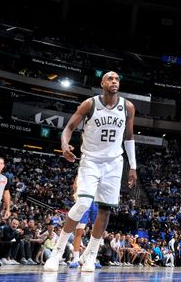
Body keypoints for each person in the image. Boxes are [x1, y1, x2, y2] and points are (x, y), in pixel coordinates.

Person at [44, 71, 137, 272]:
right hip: (91, 161)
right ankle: (57, 252)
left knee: (105, 210)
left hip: (114, 163)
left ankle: (90, 256)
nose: (114, 81)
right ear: (102, 83)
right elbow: (69, 127)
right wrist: (64, 144)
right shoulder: (90, 104)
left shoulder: (127, 107)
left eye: (117, 79)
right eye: (110, 79)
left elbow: (129, 138)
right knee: (83, 203)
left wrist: (133, 166)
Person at [68, 199, 98, 268]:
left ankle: (92, 258)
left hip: (97, 200)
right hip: (86, 198)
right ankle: (76, 259)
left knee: (96, 233)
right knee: (79, 231)